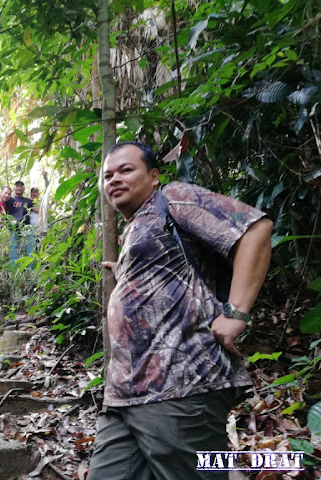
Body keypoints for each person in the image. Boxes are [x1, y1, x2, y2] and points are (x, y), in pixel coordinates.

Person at [88, 141, 273, 480]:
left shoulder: (172, 198)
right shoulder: (137, 227)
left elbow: (255, 230)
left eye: (126, 170)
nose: (114, 179)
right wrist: (126, 274)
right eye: (107, 175)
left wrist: (236, 313)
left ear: (154, 176)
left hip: (180, 387)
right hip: (123, 396)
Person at [6, 181, 38, 263]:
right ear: (14, 188)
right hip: (13, 228)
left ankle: (30, 269)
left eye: (21, 186)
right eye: (17, 186)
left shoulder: (28, 201)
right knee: (13, 249)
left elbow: (38, 210)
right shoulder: (10, 200)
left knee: (30, 248)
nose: (19, 188)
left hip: (26, 228)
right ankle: (14, 269)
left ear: (24, 188)